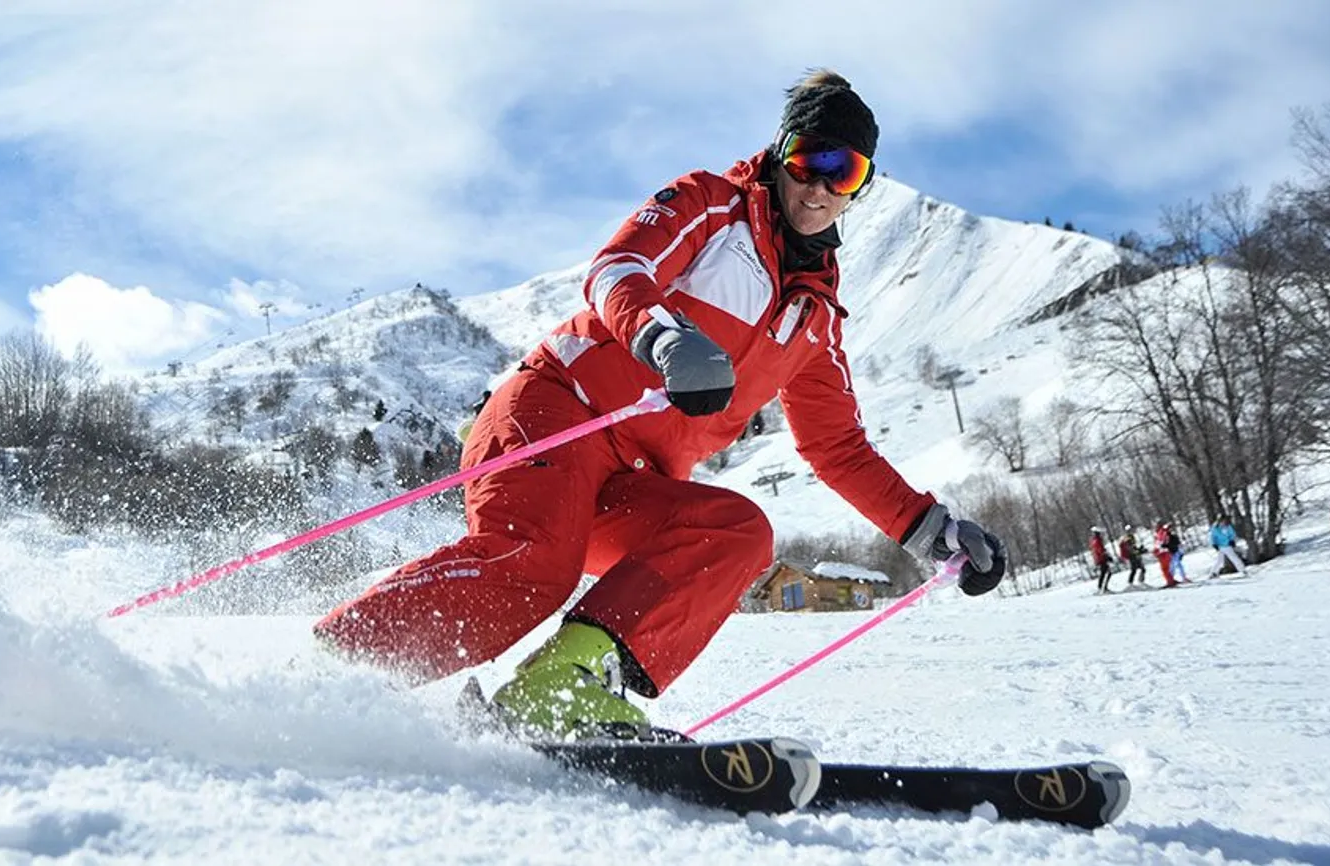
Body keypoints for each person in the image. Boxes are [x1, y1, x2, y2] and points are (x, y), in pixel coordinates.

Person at [312, 70, 1009, 740]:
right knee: (535, 570)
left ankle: (562, 687)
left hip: (631, 482)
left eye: (846, 173)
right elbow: (618, 268)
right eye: (808, 161)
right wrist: (664, 338)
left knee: (734, 533)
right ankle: (328, 678)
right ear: (780, 152)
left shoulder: (815, 317)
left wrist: (933, 530)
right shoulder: (712, 206)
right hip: (556, 412)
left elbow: (837, 447)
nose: (822, 187)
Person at [1152, 522, 1179, 588]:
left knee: (1164, 569)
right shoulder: (1163, 532)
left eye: (1156, 526)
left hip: (1163, 553)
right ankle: (1171, 580)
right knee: (1167, 568)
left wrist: (1156, 551)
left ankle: (1170, 582)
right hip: (1166, 552)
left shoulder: (1160, 533)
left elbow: (1160, 544)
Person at [1089, 526, 1113, 594]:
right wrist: (1107, 556)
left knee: (1104, 573)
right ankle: (1102, 588)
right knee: (1107, 573)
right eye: (1099, 533)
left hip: (1098, 559)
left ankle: (1102, 587)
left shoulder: (1093, 540)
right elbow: (1100, 550)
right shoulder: (1097, 540)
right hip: (1101, 559)